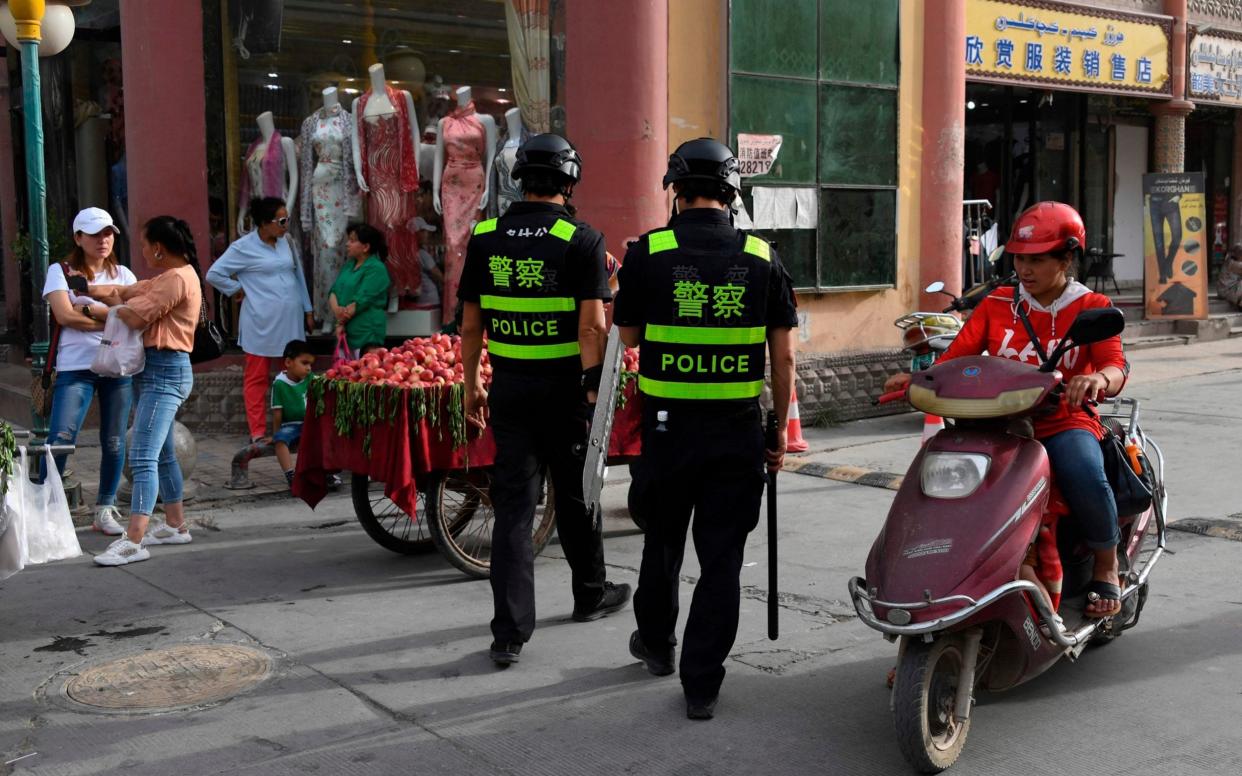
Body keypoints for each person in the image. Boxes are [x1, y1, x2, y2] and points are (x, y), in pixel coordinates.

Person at [612, 138, 798, 720]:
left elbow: (631, 339)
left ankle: (658, 645)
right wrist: (777, 430)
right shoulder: (764, 257)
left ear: (676, 189)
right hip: (736, 431)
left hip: (667, 433)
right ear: (730, 192)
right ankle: (701, 684)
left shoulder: (648, 251)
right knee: (721, 557)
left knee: (662, 540)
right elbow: (784, 359)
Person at [884, 201, 1129, 618]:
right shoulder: (998, 303)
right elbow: (956, 359)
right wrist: (919, 378)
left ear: (1066, 258)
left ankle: (1108, 566)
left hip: (1062, 423)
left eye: (1037, 259)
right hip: (996, 427)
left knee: (1083, 471)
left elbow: (1115, 365)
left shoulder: (1092, 306)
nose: (1025, 269)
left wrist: (1097, 380)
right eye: (1019, 258)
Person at [460, 133, 631, 667]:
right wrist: (593, 384)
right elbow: (591, 328)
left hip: (509, 389)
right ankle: (590, 593)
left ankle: (509, 633)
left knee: (514, 506)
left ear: (520, 179)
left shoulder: (485, 235)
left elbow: (470, 324)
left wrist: (472, 384)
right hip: (564, 391)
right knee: (579, 490)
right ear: (569, 180)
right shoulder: (580, 240)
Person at [89, 216, 203, 566]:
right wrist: (89, 289)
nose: (140, 250)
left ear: (157, 247)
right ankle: (175, 525)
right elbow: (128, 292)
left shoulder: (176, 279)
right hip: (156, 372)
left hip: (165, 374)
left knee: (142, 454)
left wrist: (100, 310)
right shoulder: (170, 277)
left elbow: (136, 316)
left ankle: (134, 540)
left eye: (142, 244)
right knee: (164, 452)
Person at [40, 207, 138, 535]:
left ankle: (105, 508)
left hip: (117, 366)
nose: (103, 240)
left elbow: (133, 316)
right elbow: (64, 316)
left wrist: (90, 309)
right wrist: (110, 314)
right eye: (95, 234)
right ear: (78, 238)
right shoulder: (61, 271)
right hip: (76, 366)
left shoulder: (124, 275)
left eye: (108, 232)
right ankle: (44, 508)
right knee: (61, 439)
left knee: (113, 440)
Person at [206, 196, 313, 443]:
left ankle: (296, 427)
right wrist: (236, 289)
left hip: (291, 319)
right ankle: (257, 433)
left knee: (295, 374)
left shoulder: (287, 241)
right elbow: (214, 274)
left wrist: (308, 310)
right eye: (282, 220)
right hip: (260, 322)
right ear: (265, 223)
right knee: (256, 377)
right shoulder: (243, 247)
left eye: (287, 219)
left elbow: (298, 276)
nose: (286, 225)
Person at [330, 223, 392, 354]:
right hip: (347, 330)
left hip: (366, 332)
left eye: (352, 241)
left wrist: (340, 322)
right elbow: (334, 291)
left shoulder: (376, 268)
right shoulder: (349, 265)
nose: (347, 244)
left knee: (368, 371)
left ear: (365, 247)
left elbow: (361, 300)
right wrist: (337, 312)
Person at [270, 340, 315, 487]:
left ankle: (326, 473)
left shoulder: (310, 378)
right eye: (304, 363)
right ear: (288, 362)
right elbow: (277, 413)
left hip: (310, 423)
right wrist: (275, 435)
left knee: (324, 437)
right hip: (290, 425)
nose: (308, 368)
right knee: (280, 441)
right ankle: (290, 474)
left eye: (310, 364)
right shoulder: (279, 384)